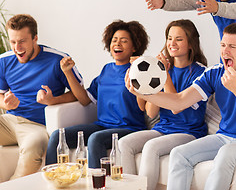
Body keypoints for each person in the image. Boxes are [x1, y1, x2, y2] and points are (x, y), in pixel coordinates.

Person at [125, 22, 236, 190]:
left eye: (232, 46)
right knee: (179, 154)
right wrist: (142, 94)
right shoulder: (215, 73)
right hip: (224, 136)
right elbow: (179, 101)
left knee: (226, 154)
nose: (225, 51)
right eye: (222, 45)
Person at [46, 20, 149, 168]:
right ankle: (53, 179)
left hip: (129, 128)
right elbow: (84, 99)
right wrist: (68, 72)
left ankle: (99, 184)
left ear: (134, 47)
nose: (117, 44)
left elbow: (143, 107)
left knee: (95, 139)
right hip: (102, 126)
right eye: (114, 40)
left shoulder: (140, 70)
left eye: (124, 41)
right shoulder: (106, 70)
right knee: (58, 136)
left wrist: (137, 69)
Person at [118, 19, 207, 190]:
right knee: (124, 144)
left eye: (179, 39)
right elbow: (151, 112)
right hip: (164, 129)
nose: (172, 43)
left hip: (189, 132)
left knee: (151, 147)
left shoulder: (201, 72)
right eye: (169, 38)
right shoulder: (163, 70)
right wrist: (141, 78)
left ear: (191, 43)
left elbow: (176, 106)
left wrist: (164, 75)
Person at [0, 14, 82, 179]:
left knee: (34, 146)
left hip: (37, 126)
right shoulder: (4, 60)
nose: (17, 48)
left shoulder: (58, 60)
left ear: (35, 38)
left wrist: (53, 101)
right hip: (10, 122)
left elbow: (80, 94)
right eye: (13, 42)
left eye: (22, 41)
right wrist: (6, 104)